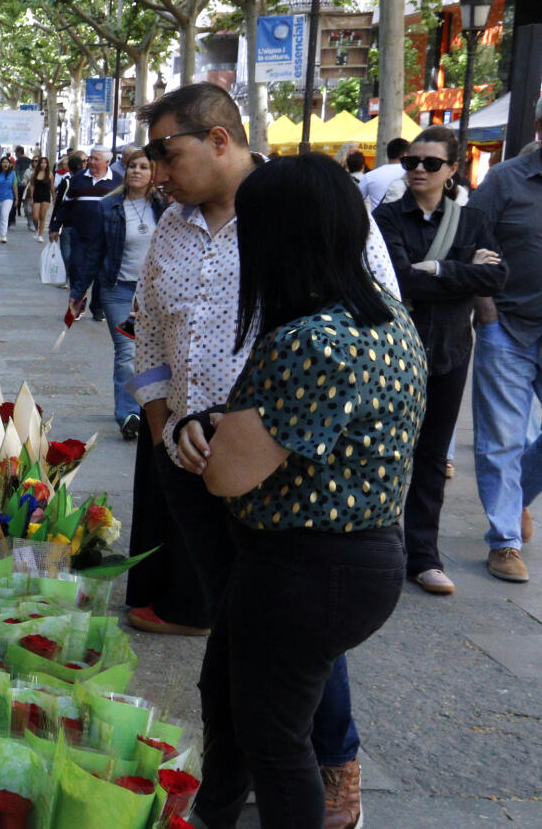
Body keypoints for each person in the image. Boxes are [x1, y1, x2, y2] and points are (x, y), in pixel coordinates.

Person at [130, 82, 401, 828]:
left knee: (281, 675)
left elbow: (361, 332)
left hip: (298, 509)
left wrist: (225, 442)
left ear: (221, 139)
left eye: (166, 149)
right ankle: (220, 799)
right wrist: (165, 433)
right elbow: (149, 337)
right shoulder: (173, 232)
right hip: (224, 476)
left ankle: (328, 764)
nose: (156, 168)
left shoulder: (315, 301)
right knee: (238, 652)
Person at [177, 153, 426, 829]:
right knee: (231, 708)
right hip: (351, 560)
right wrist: (218, 427)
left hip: (306, 569)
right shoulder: (388, 322)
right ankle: (211, 817)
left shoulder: (310, 340)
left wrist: (217, 438)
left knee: (274, 741)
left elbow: (229, 474)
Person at [374, 126, 506, 595]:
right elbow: (397, 280)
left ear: (452, 170)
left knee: (432, 457)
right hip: (394, 354)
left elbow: (495, 279)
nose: (418, 171)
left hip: (449, 352)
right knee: (384, 450)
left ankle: (423, 557)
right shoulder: (386, 218)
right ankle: (378, 546)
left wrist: (435, 268)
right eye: (412, 162)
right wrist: (463, 271)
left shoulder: (472, 222)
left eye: (431, 164)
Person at [466, 97, 542, 583]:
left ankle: (516, 500)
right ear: (539, 125)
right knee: (501, 440)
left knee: (513, 445)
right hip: (507, 325)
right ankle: (504, 543)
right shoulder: (505, 179)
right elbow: (471, 240)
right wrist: (485, 312)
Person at [94, 147, 165, 440]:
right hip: (119, 290)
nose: (136, 171)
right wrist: (78, 291)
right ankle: (128, 415)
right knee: (127, 352)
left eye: (144, 167)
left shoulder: (165, 207)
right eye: (133, 166)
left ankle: (153, 409)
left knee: (154, 353)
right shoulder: (109, 206)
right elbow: (94, 251)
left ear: (153, 174)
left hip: (156, 293)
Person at [49, 143, 120, 322]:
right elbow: (66, 204)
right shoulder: (79, 178)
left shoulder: (117, 181)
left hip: (105, 237)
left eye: (96, 159)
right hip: (80, 234)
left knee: (101, 274)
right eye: (90, 158)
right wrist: (55, 226)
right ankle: (78, 303)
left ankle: (97, 308)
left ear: (107, 161)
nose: (91, 162)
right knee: (76, 269)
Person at [51, 152, 84, 279]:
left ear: (69, 169)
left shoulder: (67, 182)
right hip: (79, 223)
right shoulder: (86, 182)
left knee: (67, 251)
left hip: (68, 222)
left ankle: (68, 275)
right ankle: (71, 274)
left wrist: (54, 225)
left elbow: (60, 204)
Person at [359, 137, 408, 210]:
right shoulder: (410, 173)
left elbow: (356, 198)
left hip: (378, 218)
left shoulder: (370, 175)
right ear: (405, 155)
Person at [25, 156, 55, 238]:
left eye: (45, 163)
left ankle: (40, 235)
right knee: (35, 217)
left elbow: (52, 187)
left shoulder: (50, 174)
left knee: (42, 216)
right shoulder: (34, 174)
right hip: (36, 196)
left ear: (47, 164)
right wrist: (31, 197)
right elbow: (32, 186)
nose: (43, 164)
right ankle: (36, 228)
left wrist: (54, 198)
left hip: (46, 197)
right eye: (41, 162)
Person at [12, 145, 32, 229]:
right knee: (27, 203)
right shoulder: (29, 160)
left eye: (16, 152)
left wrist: (18, 182)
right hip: (28, 185)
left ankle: (12, 218)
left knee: (15, 200)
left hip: (19, 184)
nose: (15, 154)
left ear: (19, 152)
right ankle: (29, 220)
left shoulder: (18, 161)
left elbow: (16, 172)